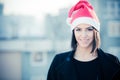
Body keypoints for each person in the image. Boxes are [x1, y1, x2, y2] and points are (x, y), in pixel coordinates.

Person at [47, 0, 120, 80]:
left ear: (96, 31)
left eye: (89, 29)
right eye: (78, 30)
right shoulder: (59, 62)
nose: (84, 35)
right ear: (73, 32)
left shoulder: (112, 62)